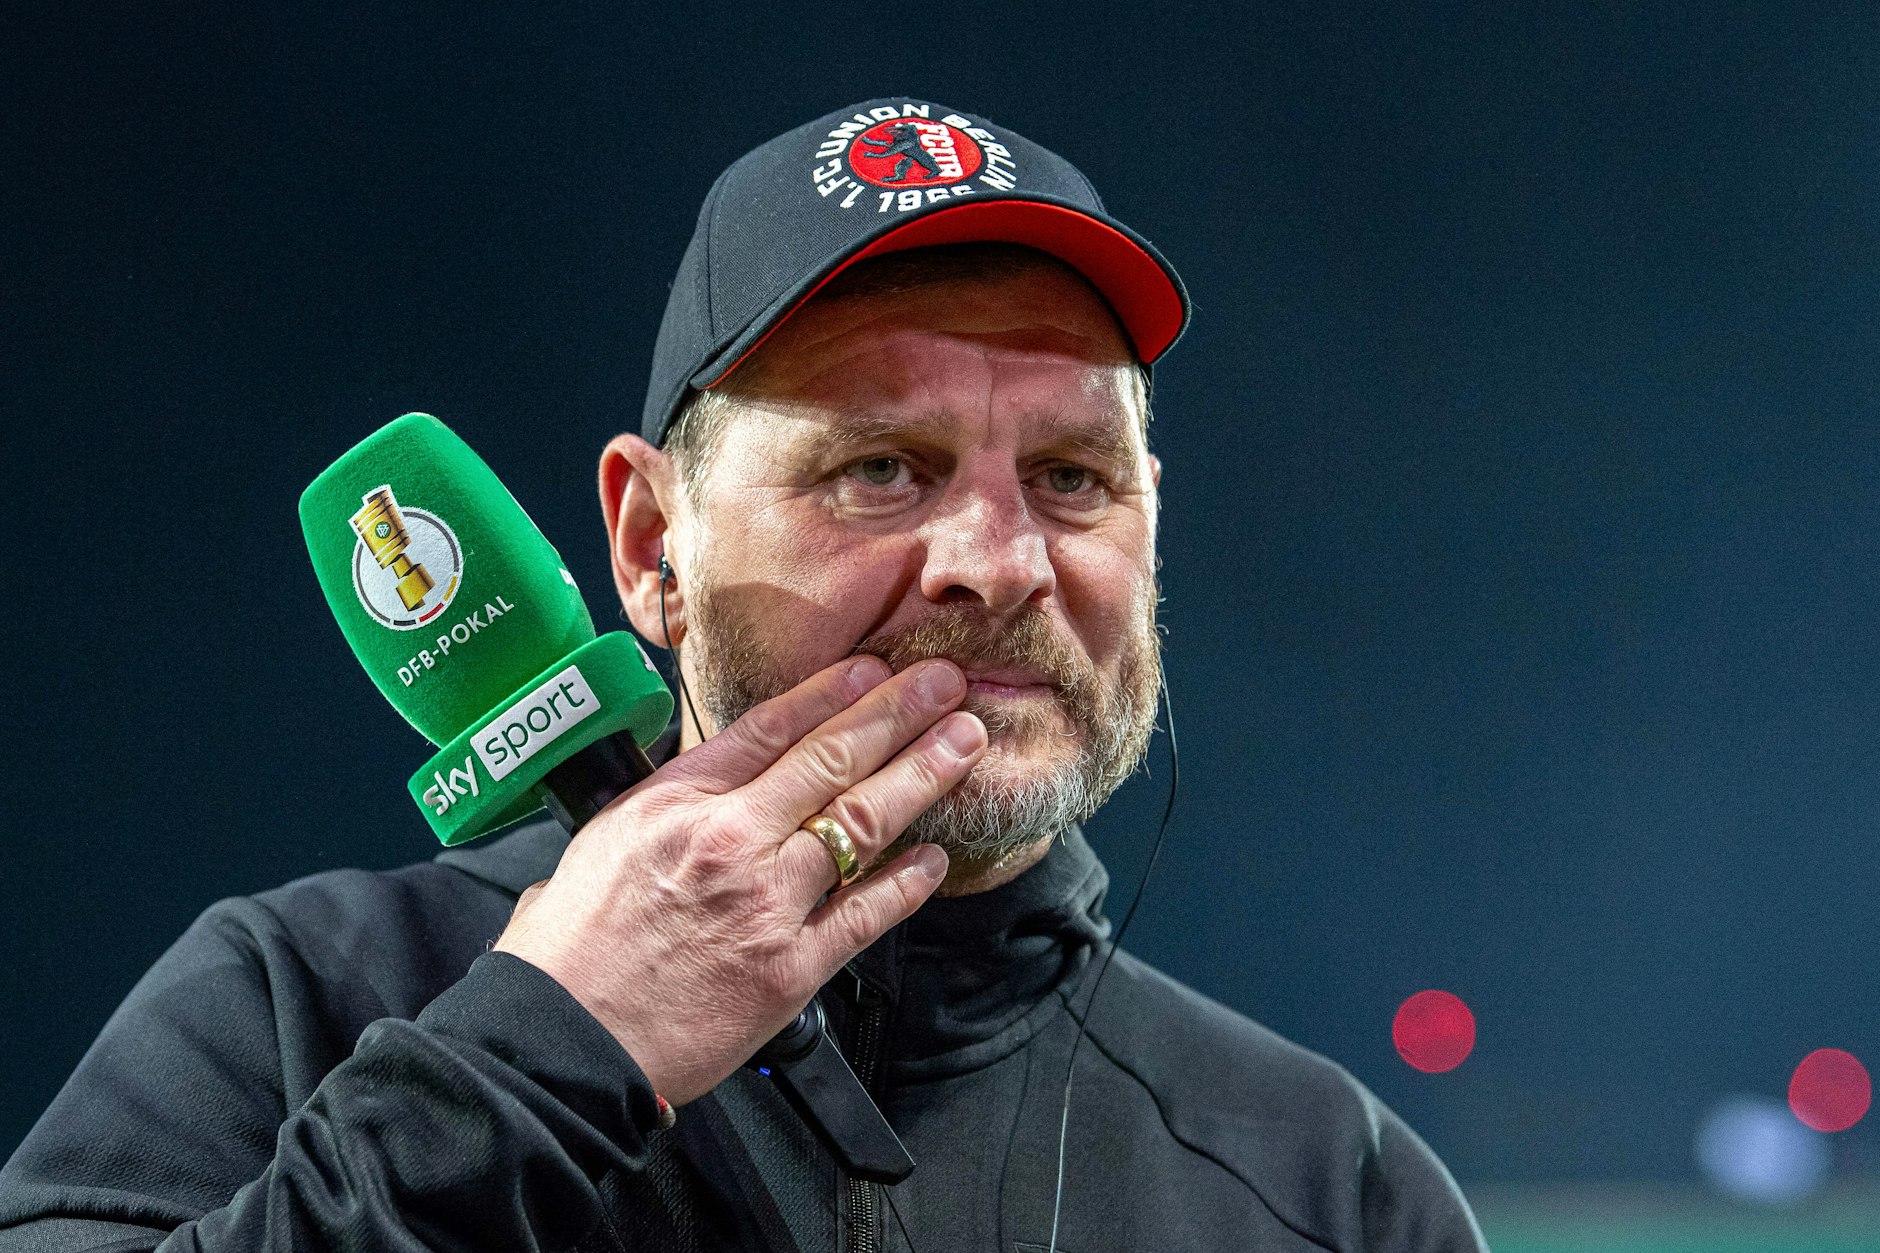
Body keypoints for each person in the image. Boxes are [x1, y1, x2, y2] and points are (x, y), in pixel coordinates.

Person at [0, 98, 1486, 1252]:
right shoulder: (297, 1005)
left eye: (1074, 474)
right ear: (652, 549)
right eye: (880, 468)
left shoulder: (1329, 1186)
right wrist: (539, 1050)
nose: (1003, 559)